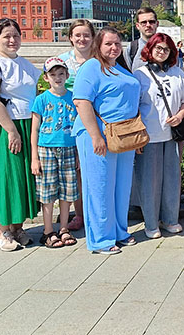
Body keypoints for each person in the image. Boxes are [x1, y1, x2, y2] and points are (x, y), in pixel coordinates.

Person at [73, 27, 141, 254]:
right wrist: (95, 136)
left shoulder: (120, 68)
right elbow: (82, 102)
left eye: (117, 43)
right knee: (100, 187)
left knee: (121, 187)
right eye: (108, 44)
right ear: (98, 46)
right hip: (99, 136)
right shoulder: (91, 67)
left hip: (123, 136)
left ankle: (120, 231)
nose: (114, 48)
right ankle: (101, 239)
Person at [0, 18, 41, 251]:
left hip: (26, 125)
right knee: (6, 177)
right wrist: (12, 131)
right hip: (5, 127)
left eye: (15, 35)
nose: (12, 40)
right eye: (6, 36)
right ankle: (2, 230)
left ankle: (17, 226)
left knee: (23, 177)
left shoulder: (25, 63)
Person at [133, 34, 184, 239]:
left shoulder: (178, 73)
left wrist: (180, 115)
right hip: (149, 135)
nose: (162, 52)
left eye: (166, 49)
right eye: (158, 48)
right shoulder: (140, 74)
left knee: (171, 179)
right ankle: (151, 223)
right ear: (150, 49)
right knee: (149, 180)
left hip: (172, 135)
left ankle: (170, 219)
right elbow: (134, 107)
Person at [30, 57, 79, 248]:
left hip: (69, 148)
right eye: (53, 74)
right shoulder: (41, 100)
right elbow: (34, 129)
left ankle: (64, 228)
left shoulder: (73, 97)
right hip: (46, 149)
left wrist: (77, 155)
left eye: (61, 74)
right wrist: (35, 157)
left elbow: (78, 127)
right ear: (46, 78)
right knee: (47, 192)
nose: (57, 78)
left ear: (67, 75)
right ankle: (48, 230)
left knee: (67, 191)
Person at [57, 19, 96, 231]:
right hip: (68, 120)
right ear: (70, 37)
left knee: (93, 168)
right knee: (74, 171)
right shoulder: (62, 61)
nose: (82, 39)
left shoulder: (99, 59)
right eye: (78, 35)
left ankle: (96, 212)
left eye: (86, 35)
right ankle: (80, 213)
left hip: (94, 120)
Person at [125, 7, 159, 72]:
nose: (148, 25)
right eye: (144, 22)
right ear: (137, 26)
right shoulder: (132, 48)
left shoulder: (167, 47)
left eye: (151, 22)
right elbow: (127, 75)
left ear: (157, 24)